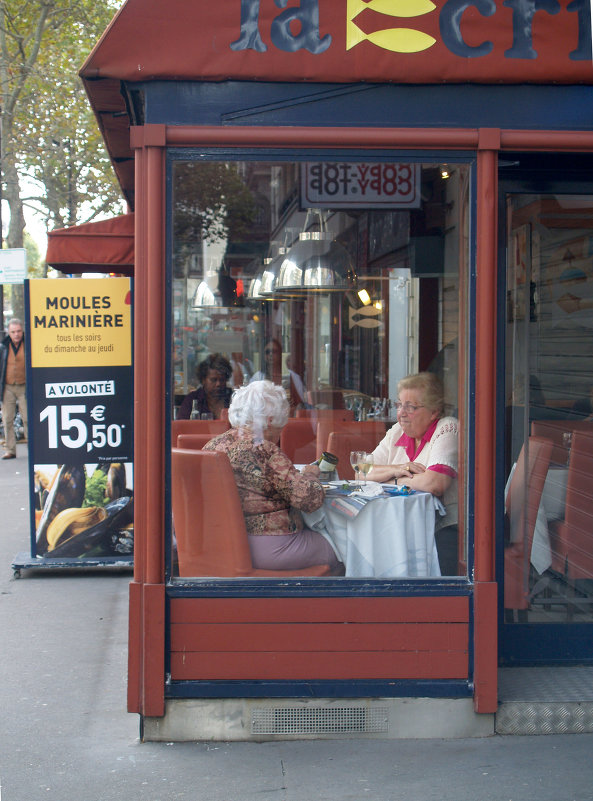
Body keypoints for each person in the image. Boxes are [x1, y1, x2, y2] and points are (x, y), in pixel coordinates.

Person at [203, 380, 343, 573]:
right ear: (270, 421)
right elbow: (310, 500)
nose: (280, 432)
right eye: (281, 425)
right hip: (270, 548)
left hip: (222, 544)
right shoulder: (265, 450)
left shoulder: (214, 445)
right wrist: (310, 476)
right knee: (343, 548)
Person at [367, 372, 459, 575]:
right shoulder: (397, 432)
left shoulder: (448, 428)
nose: (401, 413)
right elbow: (361, 472)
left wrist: (394, 479)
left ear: (434, 411)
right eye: (399, 404)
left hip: (447, 528)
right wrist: (397, 468)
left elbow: (435, 483)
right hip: (401, 525)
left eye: (411, 407)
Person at [0, 318, 28, 460]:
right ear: (8, 333)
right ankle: (10, 450)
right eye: (13, 332)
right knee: (7, 419)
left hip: (24, 386)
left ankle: (32, 449)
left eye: (18, 331)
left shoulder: (28, 345)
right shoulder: (3, 347)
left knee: (27, 418)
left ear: (22, 331)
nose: (16, 334)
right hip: (8, 386)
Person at [177, 353, 233, 419]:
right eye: (213, 380)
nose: (218, 384)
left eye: (222, 380)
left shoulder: (234, 398)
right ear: (203, 380)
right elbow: (182, 425)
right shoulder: (192, 399)